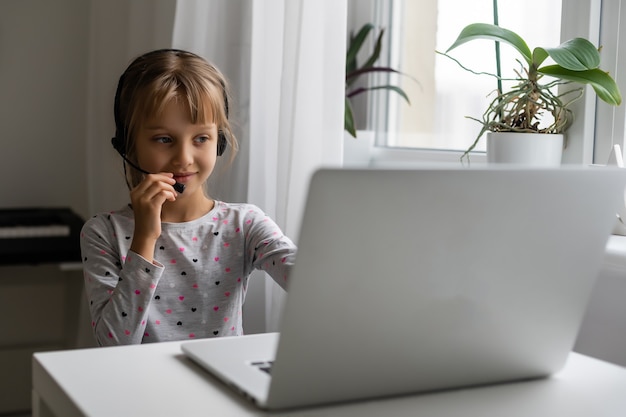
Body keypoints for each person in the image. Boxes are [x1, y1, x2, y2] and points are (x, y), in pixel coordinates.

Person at [80, 49, 297, 346]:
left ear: (218, 142)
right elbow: (115, 343)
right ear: (128, 144)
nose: (184, 158)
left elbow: (307, 283)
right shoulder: (103, 233)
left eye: (201, 139)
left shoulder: (245, 225)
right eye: (164, 139)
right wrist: (145, 237)